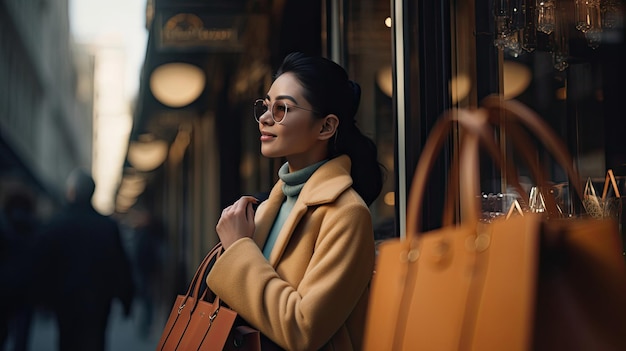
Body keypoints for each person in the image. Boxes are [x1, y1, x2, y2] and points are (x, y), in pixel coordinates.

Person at [207, 52, 384, 350]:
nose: (264, 118)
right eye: (266, 106)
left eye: (282, 109)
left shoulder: (347, 214)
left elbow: (303, 329)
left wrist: (238, 249)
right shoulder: (269, 206)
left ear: (325, 127)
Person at [35, 168, 134, 351]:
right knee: (95, 343)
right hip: (98, 302)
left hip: (65, 301)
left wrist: (43, 300)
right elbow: (120, 267)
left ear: (71, 192)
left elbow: (42, 266)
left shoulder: (55, 225)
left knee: (67, 342)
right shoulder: (107, 227)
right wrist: (126, 300)